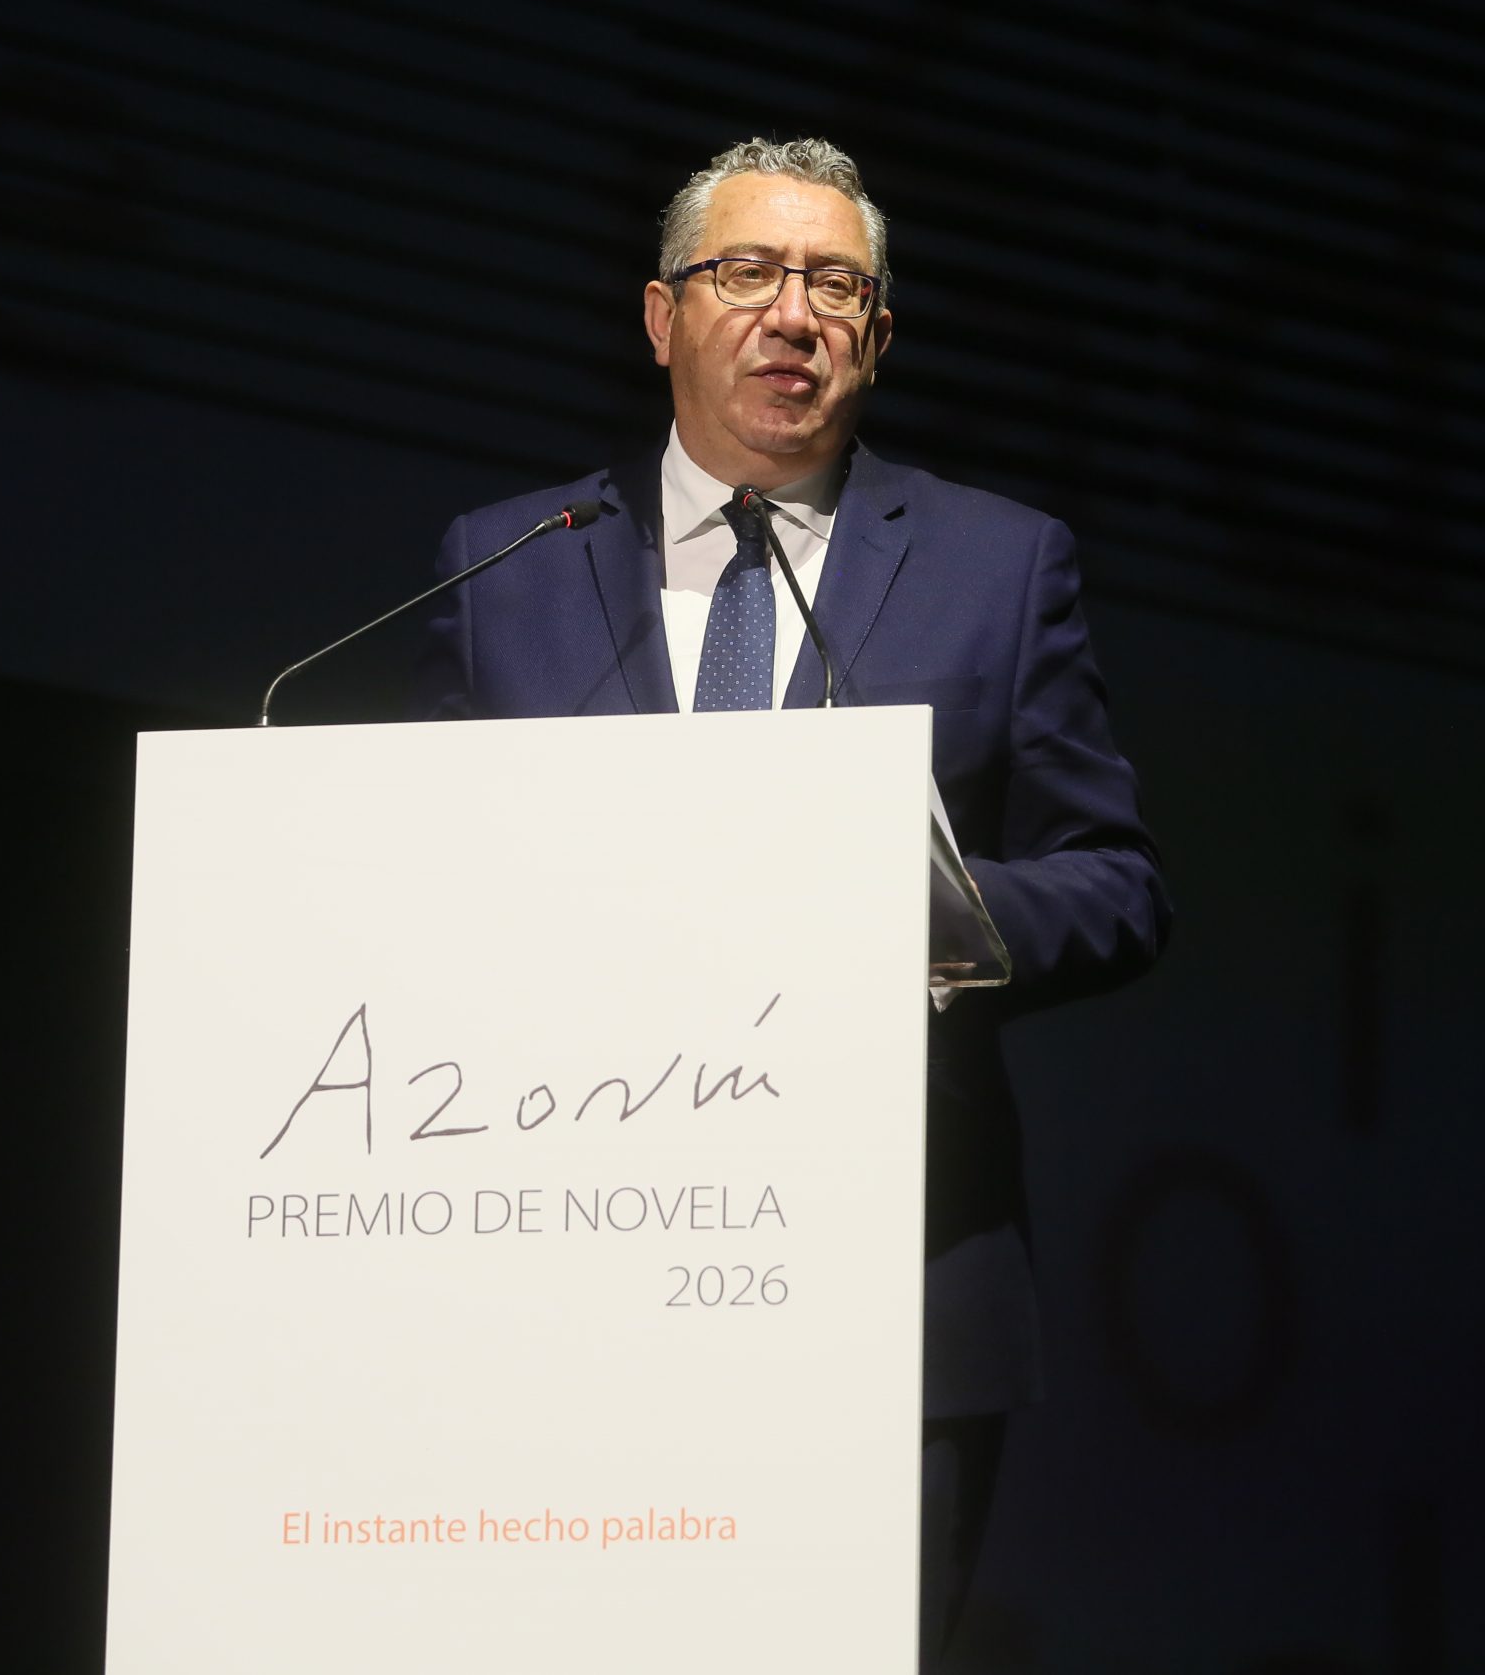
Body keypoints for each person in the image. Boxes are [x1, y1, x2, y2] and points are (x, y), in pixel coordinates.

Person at [417, 136, 1173, 1662]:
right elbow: (422, 880)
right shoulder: (507, 564)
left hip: (886, 1287)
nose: (794, 313)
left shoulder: (998, 565)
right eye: (749, 271)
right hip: (562, 1271)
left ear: (877, 338)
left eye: (837, 286)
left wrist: (937, 913)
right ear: (661, 316)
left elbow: (1119, 883)